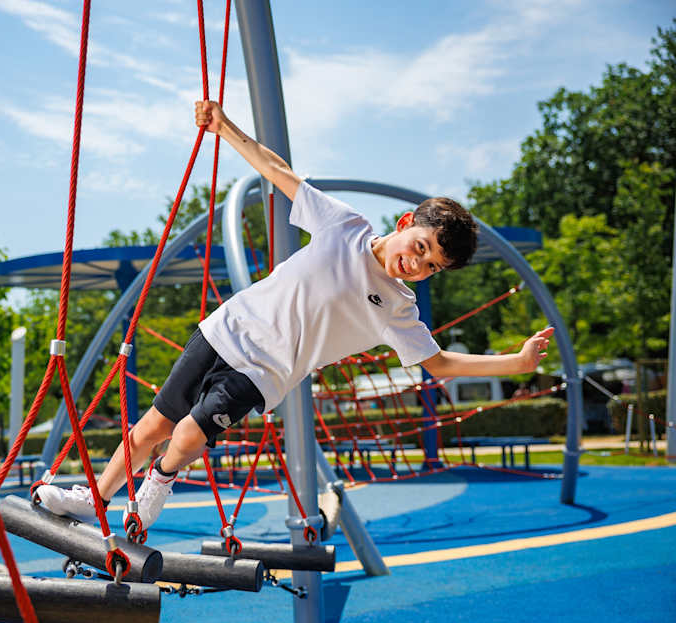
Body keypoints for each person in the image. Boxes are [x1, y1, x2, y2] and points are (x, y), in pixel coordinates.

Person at [36, 100, 554, 532]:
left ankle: (160, 480)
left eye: (431, 266)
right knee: (150, 426)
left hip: (266, 371)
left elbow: (437, 364)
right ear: (404, 224)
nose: (417, 264)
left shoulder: (399, 307)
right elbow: (277, 172)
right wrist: (225, 127)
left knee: (188, 436)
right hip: (227, 328)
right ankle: (93, 499)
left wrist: (517, 363)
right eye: (420, 247)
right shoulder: (345, 226)